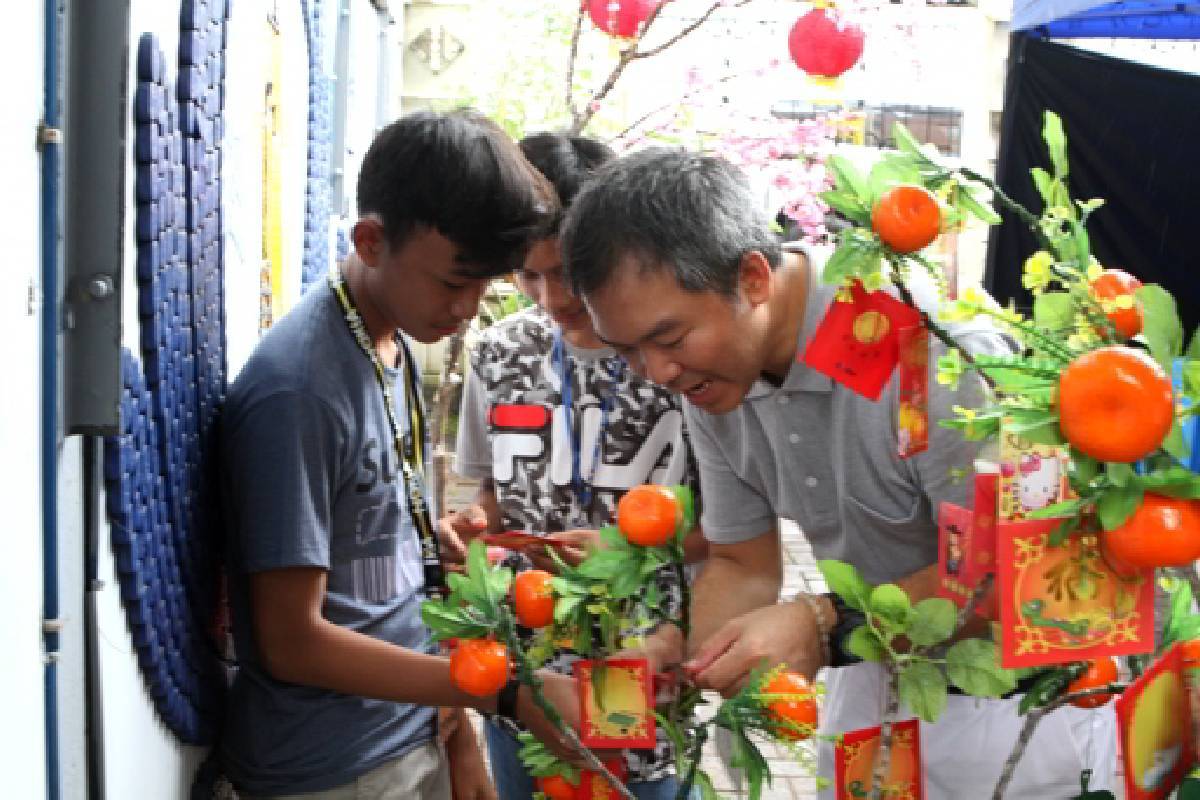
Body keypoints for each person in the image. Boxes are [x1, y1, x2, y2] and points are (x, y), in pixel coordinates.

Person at [558, 147, 1118, 798]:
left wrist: (824, 626)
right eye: (628, 351)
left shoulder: (922, 344)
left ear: (752, 279)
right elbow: (744, 563)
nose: (656, 375)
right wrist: (674, 648)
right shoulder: (715, 379)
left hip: (1024, 706)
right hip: (875, 677)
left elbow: (1016, 571)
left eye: (669, 340)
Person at [219, 110, 583, 800]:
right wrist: (500, 696)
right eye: (454, 283)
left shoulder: (386, 336)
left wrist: (456, 735)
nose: (470, 309)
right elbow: (290, 641)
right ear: (372, 239)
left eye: (487, 288)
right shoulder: (298, 390)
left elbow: (362, 555)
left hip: (403, 734)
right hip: (333, 765)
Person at [439, 132, 706, 800]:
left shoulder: (679, 360)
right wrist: (477, 523)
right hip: (524, 665)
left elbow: (733, 535)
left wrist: (624, 553)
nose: (550, 297)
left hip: (638, 656)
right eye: (528, 273)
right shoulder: (501, 355)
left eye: (568, 273)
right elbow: (496, 490)